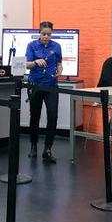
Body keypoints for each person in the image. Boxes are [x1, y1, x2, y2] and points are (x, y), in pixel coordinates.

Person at [26, 21, 63, 164]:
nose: (46, 37)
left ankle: (47, 149)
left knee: (53, 116)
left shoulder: (57, 46)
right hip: (36, 84)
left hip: (52, 85)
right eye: (43, 34)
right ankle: (33, 146)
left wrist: (60, 70)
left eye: (48, 34)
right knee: (35, 116)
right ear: (39, 33)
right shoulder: (32, 46)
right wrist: (36, 62)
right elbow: (26, 64)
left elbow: (59, 64)